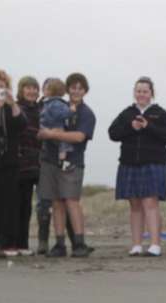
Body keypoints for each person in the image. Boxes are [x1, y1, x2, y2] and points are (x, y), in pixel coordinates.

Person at [109, 76, 166, 257]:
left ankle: (155, 244)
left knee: (150, 203)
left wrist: (149, 126)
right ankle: (137, 244)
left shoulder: (160, 113)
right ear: (135, 93)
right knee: (134, 204)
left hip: (153, 163)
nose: (141, 94)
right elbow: (113, 133)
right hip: (129, 163)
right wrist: (131, 127)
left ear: (151, 94)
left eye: (145, 91)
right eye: (138, 91)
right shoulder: (127, 113)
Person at [37, 72, 96, 257]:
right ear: (66, 89)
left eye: (80, 88)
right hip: (50, 160)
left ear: (85, 91)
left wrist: (51, 134)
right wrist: (44, 133)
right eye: (73, 87)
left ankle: (79, 243)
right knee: (56, 202)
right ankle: (60, 244)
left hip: (73, 162)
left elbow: (79, 137)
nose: (76, 91)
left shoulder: (86, 113)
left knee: (72, 201)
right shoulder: (54, 106)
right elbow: (39, 129)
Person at [0, 69, 27, 257]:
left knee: (8, 203)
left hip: (9, 162)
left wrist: (11, 102)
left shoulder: (11, 107)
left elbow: (22, 125)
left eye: (2, 87)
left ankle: (7, 242)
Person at [15, 76, 42, 255]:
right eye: (28, 88)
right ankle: (11, 243)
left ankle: (23, 244)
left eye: (34, 88)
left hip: (36, 164)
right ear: (21, 90)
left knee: (27, 205)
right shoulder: (16, 108)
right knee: (14, 204)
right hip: (17, 163)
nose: (31, 91)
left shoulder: (42, 110)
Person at [39, 78, 76, 171]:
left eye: (47, 89)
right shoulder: (57, 103)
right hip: (55, 127)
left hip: (45, 127)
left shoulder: (47, 103)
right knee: (64, 143)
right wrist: (71, 111)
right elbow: (59, 115)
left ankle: (60, 162)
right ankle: (63, 163)